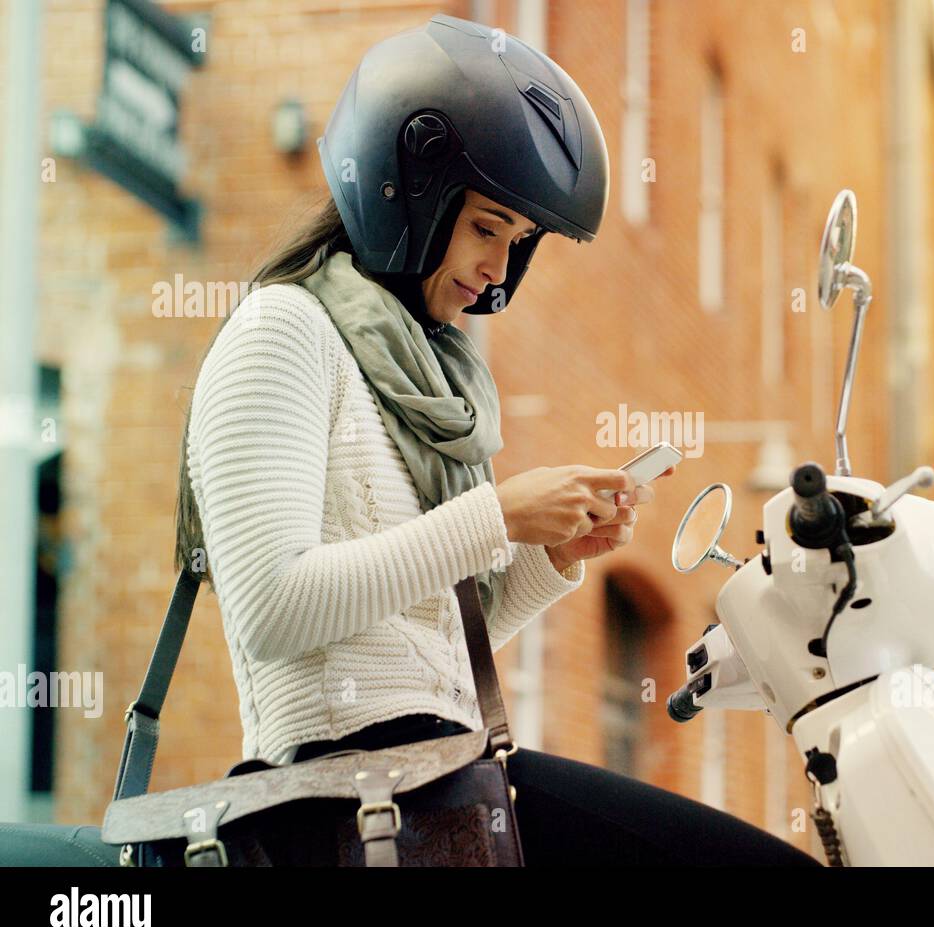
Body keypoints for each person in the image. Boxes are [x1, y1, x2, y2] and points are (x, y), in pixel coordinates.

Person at [176, 13, 820, 867]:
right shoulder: (282, 331)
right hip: (356, 797)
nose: (498, 271)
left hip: (447, 779)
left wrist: (552, 558)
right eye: (487, 228)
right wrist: (497, 515)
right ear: (403, 188)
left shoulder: (425, 379)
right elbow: (273, 608)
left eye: (517, 245)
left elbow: (430, 640)